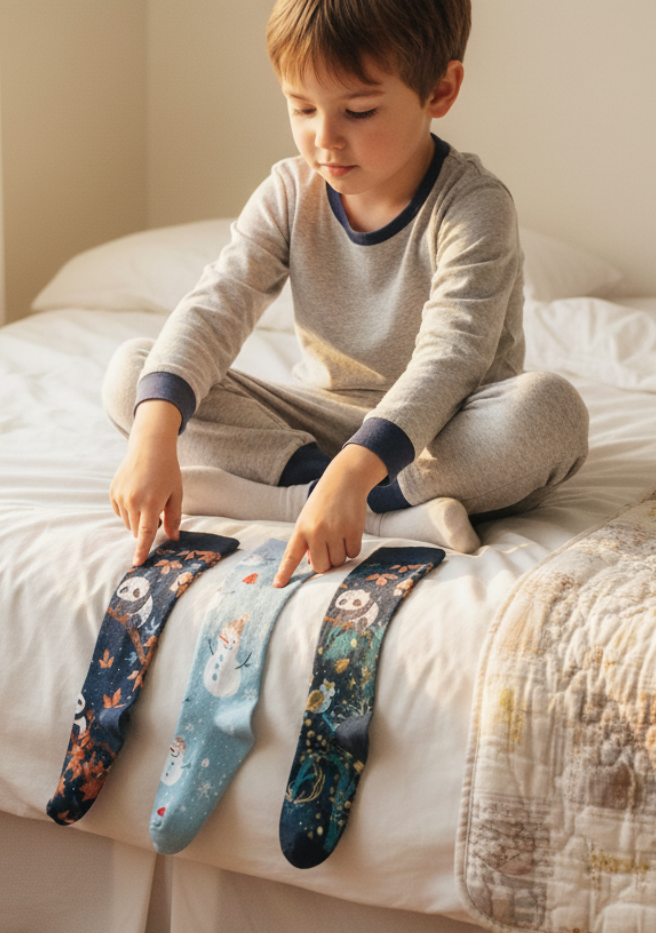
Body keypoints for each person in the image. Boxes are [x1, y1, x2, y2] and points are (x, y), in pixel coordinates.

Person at [103, 0, 588, 586]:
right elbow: (216, 305)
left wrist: (356, 474)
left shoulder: (474, 205)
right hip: (323, 420)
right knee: (135, 373)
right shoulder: (289, 191)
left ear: (440, 90)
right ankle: (364, 506)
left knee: (549, 411)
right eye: (302, 107)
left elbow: (451, 358)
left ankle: (312, 495)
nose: (324, 138)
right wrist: (155, 435)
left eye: (358, 111)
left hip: (441, 432)